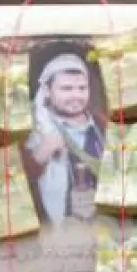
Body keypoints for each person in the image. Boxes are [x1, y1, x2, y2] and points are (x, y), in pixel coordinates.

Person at [23, 51, 109, 225]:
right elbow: (12, 188)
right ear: (47, 91)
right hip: (56, 236)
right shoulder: (32, 129)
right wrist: (40, 155)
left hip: (102, 228)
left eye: (81, 88)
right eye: (66, 89)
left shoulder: (102, 125)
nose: (76, 95)